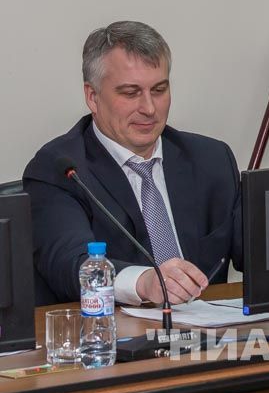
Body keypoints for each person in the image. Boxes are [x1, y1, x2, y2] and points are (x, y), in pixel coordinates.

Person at [24, 21, 242, 305]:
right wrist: (143, 282)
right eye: (130, 93)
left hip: (208, 327)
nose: (149, 108)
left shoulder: (210, 159)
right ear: (92, 96)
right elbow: (70, 264)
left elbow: (259, 252)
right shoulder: (60, 170)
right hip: (113, 329)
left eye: (159, 90)